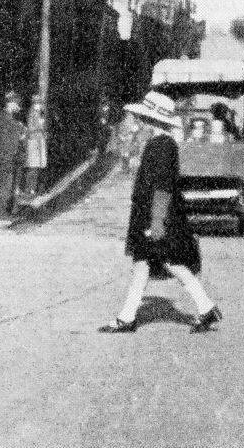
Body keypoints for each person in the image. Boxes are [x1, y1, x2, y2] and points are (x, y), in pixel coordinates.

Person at [99, 92, 221, 333]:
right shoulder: (160, 144)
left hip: (158, 218)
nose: (140, 121)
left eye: (143, 117)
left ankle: (205, 307)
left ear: (151, 120)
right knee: (143, 265)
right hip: (154, 217)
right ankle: (128, 317)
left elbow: (163, 188)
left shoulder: (161, 146)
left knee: (170, 262)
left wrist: (155, 224)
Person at [0, 92, 27, 215]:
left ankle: (4, 211)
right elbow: (10, 132)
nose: (18, 107)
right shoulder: (3, 117)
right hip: (5, 157)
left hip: (9, 157)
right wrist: (20, 128)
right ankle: (0, 212)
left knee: (8, 185)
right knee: (4, 185)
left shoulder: (9, 118)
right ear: (10, 103)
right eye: (16, 104)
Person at [23, 98, 48, 196]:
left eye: (40, 103)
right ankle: (29, 188)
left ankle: (34, 188)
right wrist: (40, 128)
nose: (39, 105)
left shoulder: (40, 113)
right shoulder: (32, 113)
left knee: (37, 166)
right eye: (37, 103)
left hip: (39, 141)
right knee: (33, 166)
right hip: (33, 141)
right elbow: (30, 128)